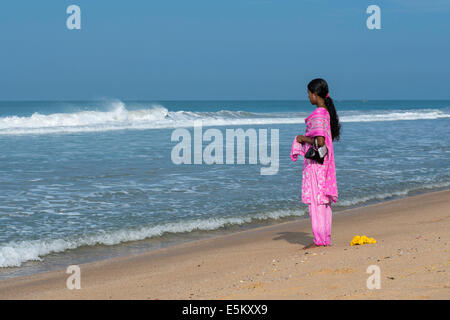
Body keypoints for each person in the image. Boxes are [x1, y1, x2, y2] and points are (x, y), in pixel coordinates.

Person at [290, 78, 341, 249]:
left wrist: (301, 138)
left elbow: (319, 141)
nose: (308, 97)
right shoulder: (326, 112)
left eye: (309, 94)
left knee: (316, 201)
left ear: (315, 94)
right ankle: (324, 238)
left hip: (316, 166)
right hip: (325, 164)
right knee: (324, 203)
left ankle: (319, 240)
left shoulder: (319, 113)